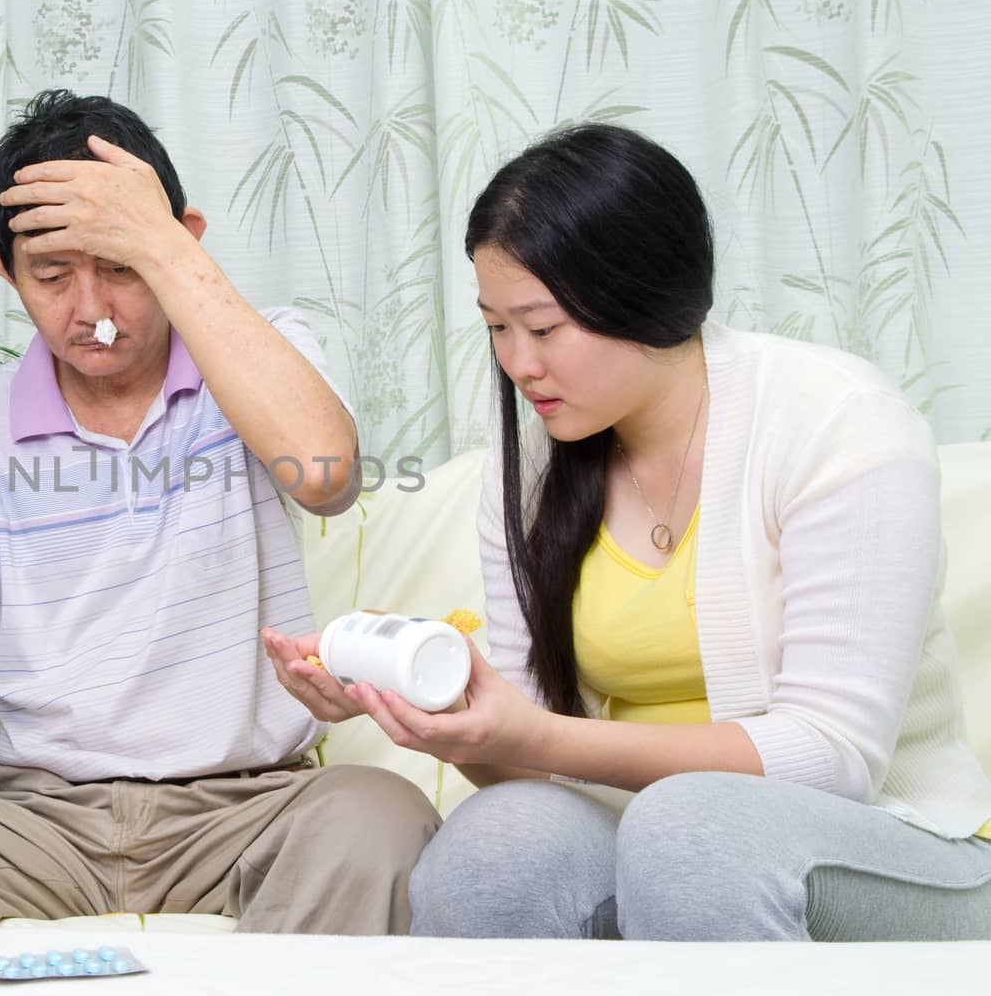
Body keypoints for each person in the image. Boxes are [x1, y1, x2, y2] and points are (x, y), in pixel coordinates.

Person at [263, 123, 991, 941]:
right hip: (656, 837)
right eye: (496, 328)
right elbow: (532, 760)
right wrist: (437, 722)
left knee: (692, 830)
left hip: (895, 844)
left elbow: (833, 759)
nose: (517, 364)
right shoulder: (531, 465)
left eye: (542, 329)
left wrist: (541, 735)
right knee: (494, 845)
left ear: (642, 297)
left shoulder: (838, 424)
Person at [0, 89, 439, 933]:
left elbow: (326, 476)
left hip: (250, 810)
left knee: (377, 818)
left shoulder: (258, 348)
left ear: (185, 240)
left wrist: (161, 247)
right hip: (37, 822)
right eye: (53, 276)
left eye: (121, 267)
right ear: (3, 269)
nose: (91, 312)